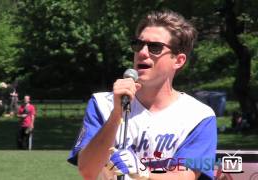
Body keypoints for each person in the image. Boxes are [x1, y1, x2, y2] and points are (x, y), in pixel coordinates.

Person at [67, 10, 217, 180]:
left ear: (178, 60)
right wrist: (116, 114)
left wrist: (143, 173)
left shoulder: (199, 116)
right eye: (138, 45)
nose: (143, 52)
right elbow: (87, 171)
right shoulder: (102, 104)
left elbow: (186, 175)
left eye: (155, 47)